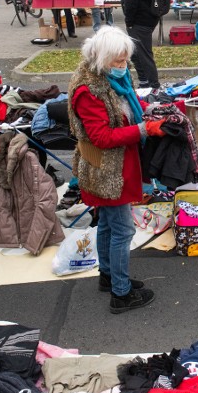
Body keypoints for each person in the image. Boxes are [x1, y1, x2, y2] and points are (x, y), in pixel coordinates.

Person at [68, 27, 160, 314]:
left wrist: (150, 109)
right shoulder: (88, 89)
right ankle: (121, 293)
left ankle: (108, 275)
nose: (123, 67)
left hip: (117, 164)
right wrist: (143, 129)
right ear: (101, 58)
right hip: (106, 169)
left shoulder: (110, 77)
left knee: (107, 223)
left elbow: (127, 104)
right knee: (123, 229)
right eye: (118, 62)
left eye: (125, 61)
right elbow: (102, 137)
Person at [120, 0, 160, 89]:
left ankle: (154, 87)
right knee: (136, 54)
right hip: (148, 19)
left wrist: (129, 21)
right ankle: (144, 82)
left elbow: (131, 1)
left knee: (144, 55)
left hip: (139, 21)